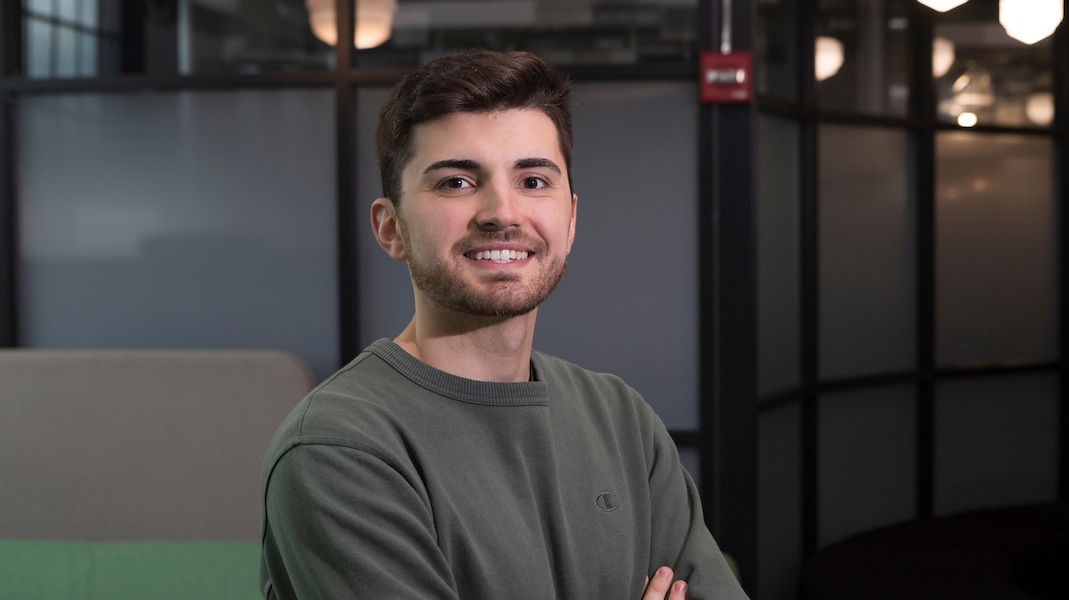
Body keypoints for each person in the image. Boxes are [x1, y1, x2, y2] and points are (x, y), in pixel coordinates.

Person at [259, 49, 749, 600]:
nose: (503, 212)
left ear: (570, 220)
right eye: (456, 183)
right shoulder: (340, 447)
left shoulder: (620, 419)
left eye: (534, 181)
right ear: (391, 227)